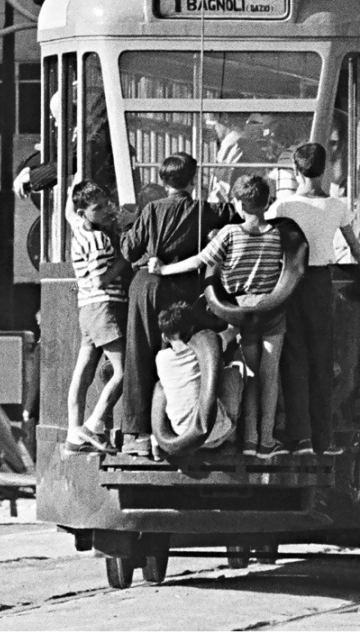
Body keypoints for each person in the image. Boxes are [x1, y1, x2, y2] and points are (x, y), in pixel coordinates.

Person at [150, 174, 287, 459]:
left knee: (249, 375)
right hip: (272, 312)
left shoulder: (230, 233)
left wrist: (163, 270)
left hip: (240, 312)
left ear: (238, 203)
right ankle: (266, 440)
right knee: (270, 376)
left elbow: (199, 261)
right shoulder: (277, 235)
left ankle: (248, 442)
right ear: (267, 203)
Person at [117, 153, 237, 457]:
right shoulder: (204, 210)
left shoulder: (151, 210)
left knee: (139, 354)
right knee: (180, 356)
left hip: (147, 288)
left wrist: (127, 227)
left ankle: (137, 434)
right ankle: (177, 426)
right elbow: (235, 216)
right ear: (193, 179)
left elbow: (130, 250)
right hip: (183, 288)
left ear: (162, 181)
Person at [268, 142, 360, 456]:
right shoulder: (337, 206)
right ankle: (324, 439)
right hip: (322, 283)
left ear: (295, 170)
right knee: (322, 360)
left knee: (294, 360)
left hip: (290, 283)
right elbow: (355, 247)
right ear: (325, 169)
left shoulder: (282, 206)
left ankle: (300, 438)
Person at [64, 181, 127, 453]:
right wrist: (126, 258)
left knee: (83, 373)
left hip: (86, 310)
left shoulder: (79, 229)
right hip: (105, 307)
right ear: (84, 213)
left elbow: (68, 212)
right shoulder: (98, 239)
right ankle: (94, 424)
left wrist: (70, 192)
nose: (103, 211)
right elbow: (102, 279)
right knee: (123, 372)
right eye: (97, 208)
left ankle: (73, 431)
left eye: (105, 204)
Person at [154, 301, 241, 451]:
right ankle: (231, 437)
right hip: (217, 435)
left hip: (181, 437)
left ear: (165, 337)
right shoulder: (210, 345)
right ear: (192, 329)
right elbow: (233, 330)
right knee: (232, 374)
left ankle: (155, 440)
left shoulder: (161, 358)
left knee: (163, 386)